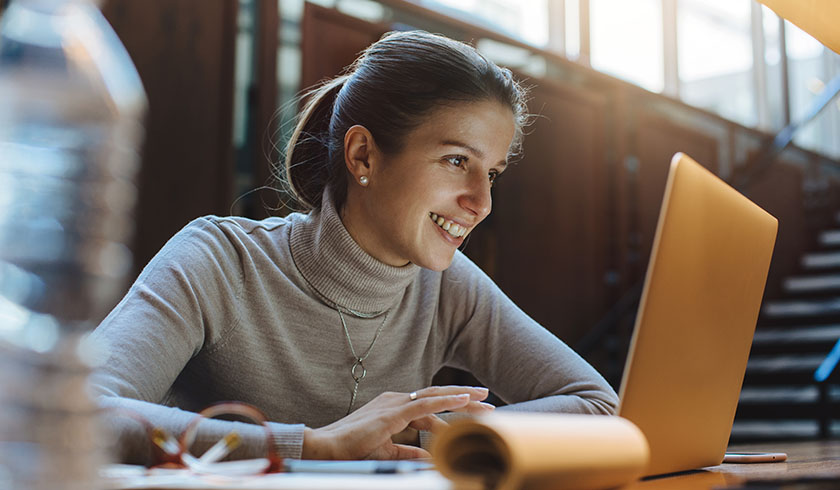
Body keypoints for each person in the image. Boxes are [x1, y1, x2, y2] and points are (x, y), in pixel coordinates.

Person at [90, 30, 618, 466]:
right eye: (457, 161)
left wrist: (446, 431)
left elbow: (597, 406)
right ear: (363, 155)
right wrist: (312, 445)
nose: (481, 202)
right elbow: (82, 413)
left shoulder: (447, 285)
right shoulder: (217, 261)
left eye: (493, 173)